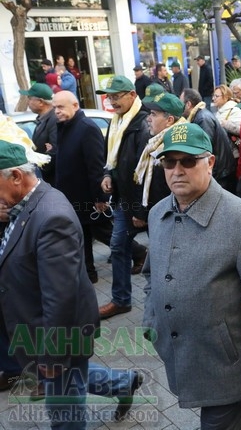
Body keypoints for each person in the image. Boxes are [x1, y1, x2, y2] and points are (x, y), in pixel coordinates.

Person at [142, 122, 241, 430]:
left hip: (225, 366)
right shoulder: (157, 213)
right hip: (179, 353)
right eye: (169, 162)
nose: (177, 170)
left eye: (188, 161)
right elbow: (151, 274)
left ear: (210, 163)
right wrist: (151, 319)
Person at [0, 140, 99, 429]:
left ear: (16, 177)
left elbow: (60, 298)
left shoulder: (51, 217)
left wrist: (52, 357)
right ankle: (124, 382)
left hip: (57, 341)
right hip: (41, 334)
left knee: (64, 416)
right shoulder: (23, 203)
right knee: (77, 379)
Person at [96, 75, 150, 319]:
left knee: (160, 254)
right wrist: (107, 175)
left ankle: (159, 301)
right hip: (121, 199)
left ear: (132, 94)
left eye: (117, 96)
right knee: (118, 247)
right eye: (109, 97)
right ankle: (121, 300)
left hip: (141, 202)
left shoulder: (144, 122)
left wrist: (140, 211)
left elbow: (145, 170)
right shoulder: (115, 121)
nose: (112, 101)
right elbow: (112, 159)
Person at [51, 90, 110, 284]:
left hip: (86, 195)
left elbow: (96, 165)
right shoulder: (64, 126)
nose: (57, 111)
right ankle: (88, 272)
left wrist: (100, 197)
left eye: (61, 107)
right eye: (55, 108)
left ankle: (138, 252)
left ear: (75, 106)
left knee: (102, 231)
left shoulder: (86, 128)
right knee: (82, 234)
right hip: (71, 194)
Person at [182, 88, 237, 192]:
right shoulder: (200, 115)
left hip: (220, 174)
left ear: (188, 104)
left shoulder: (203, 118)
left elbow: (205, 149)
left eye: (181, 103)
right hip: (220, 172)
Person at [19, 83, 58, 184]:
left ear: (41, 102)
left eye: (29, 98)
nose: (27, 102)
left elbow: (54, 152)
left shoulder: (54, 120)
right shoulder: (42, 119)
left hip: (53, 180)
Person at [213, 84, 241, 156]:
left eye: (217, 96)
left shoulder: (234, 109)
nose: (213, 98)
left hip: (234, 153)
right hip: (224, 151)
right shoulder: (220, 110)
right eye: (213, 96)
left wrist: (227, 124)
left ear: (226, 97)